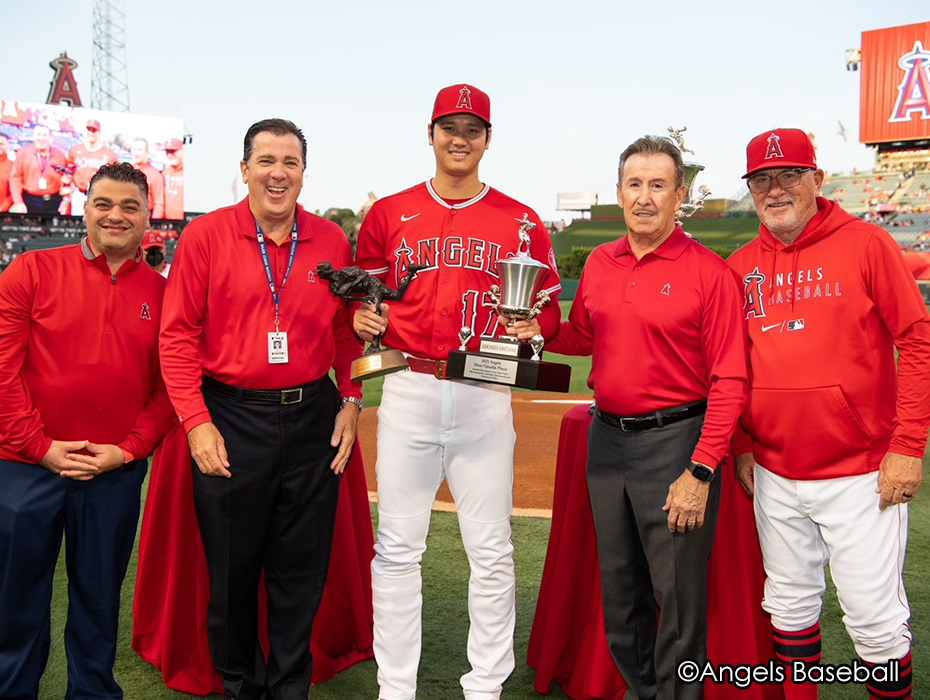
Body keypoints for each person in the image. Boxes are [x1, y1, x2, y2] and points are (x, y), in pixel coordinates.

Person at [353, 83, 562, 700]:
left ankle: (486, 688)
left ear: (488, 139)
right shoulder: (389, 213)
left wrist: (534, 328)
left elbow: (544, 315)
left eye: (473, 129)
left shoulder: (521, 220)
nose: (460, 139)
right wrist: (361, 319)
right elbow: (365, 301)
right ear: (431, 133)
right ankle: (396, 687)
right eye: (450, 126)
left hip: (485, 393)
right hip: (410, 389)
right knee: (396, 549)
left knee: (492, 550)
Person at [159, 117, 363, 700]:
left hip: (312, 417)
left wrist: (350, 399)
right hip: (230, 416)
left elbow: (347, 334)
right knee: (232, 569)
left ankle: (289, 685)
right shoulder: (204, 236)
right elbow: (175, 338)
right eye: (266, 161)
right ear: (244, 170)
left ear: (303, 173)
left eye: (290, 162)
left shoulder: (329, 240)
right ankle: (239, 684)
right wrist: (197, 423)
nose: (278, 173)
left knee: (301, 569)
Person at [542, 135, 748, 700]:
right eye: (634, 184)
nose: (644, 197)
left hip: (675, 442)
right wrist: (535, 329)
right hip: (607, 442)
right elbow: (583, 336)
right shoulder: (603, 262)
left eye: (658, 185)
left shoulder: (711, 273)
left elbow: (731, 380)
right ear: (618, 192)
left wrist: (701, 469)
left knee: (677, 601)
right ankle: (640, 692)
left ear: (680, 195)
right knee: (622, 592)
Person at [728, 128, 930, 700]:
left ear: (817, 179)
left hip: (861, 472)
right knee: (789, 607)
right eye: (762, 180)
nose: (776, 189)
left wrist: (908, 445)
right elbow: (732, 369)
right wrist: (743, 445)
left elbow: (917, 342)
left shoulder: (867, 244)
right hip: (773, 470)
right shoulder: (741, 266)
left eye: (789, 174)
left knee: (874, 621)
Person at [0, 162, 175, 699]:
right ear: (85, 207)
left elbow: (170, 389)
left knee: (98, 600)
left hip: (112, 473)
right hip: (26, 466)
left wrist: (126, 452)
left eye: (129, 206)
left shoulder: (167, 294)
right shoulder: (30, 270)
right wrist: (40, 446)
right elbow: (3, 370)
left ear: (149, 216)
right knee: (14, 600)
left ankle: (93, 694)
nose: (115, 215)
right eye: (104, 203)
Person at [9, 124, 69, 215]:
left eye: (44, 135)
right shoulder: (23, 153)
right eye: (38, 134)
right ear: (33, 136)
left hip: (54, 201)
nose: (41, 138)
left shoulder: (59, 155)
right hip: (30, 200)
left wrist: (65, 200)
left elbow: (66, 180)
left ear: (50, 138)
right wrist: (19, 202)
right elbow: (15, 178)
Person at [67, 118, 119, 215]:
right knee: (77, 225)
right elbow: (68, 172)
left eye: (94, 130)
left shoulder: (109, 155)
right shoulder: (75, 150)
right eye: (89, 130)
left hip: (99, 195)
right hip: (80, 193)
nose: (91, 133)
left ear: (99, 132)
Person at [130, 137, 166, 219]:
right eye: (134, 149)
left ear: (147, 152)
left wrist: (154, 223)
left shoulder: (155, 175)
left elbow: (159, 203)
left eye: (139, 150)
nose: (136, 153)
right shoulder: (126, 172)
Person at [163, 137, 185, 220]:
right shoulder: (165, 173)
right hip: (167, 223)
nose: (169, 155)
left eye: (173, 151)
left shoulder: (189, 172)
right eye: (167, 152)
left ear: (182, 150)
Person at [0, 133, 12, 212]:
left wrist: (3, 208)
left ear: (8, 146)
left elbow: (14, 193)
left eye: (1, 144)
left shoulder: (13, 166)